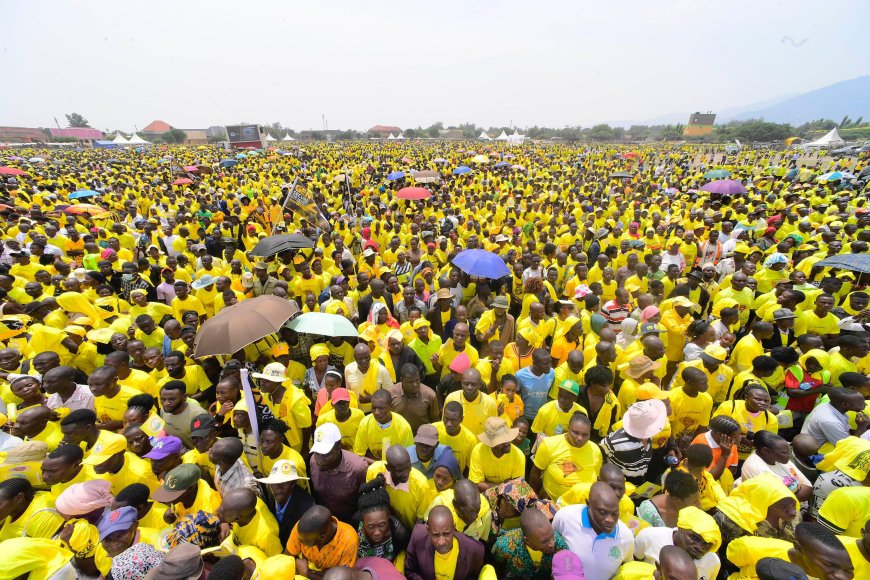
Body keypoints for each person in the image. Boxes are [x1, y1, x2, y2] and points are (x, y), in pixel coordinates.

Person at [552, 482, 634, 580]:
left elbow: (626, 567)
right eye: (602, 512)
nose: (610, 520)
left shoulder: (626, 536)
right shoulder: (564, 518)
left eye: (615, 514)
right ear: (588, 504)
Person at [633, 506, 721, 580]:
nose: (700, 547)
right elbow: (631, 562)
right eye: (694, 538)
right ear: (680, 528)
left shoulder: (713, 562)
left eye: (707, 544)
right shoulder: (650, 536)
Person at [530, 412, 601, 501]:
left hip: (583, 504)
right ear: (568, 429)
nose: (580, 438)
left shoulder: (595, 450)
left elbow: (598, 477)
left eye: (585, 434)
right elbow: (535, 473)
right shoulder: (549, 444)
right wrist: (532, 498)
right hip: (553, 502)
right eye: (575, 432)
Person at [404, 505, 485, 580]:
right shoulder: (418, 537)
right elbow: (410, 571)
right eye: (435, 535)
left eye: (446, 534)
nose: (441, 542)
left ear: (454, 528)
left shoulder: (475, 550)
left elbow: (474, 577)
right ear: (428, 530)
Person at [310, 423, 369, 524]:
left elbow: (367, 500)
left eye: (325, 454)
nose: (319, 460)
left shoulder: (358, 468)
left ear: (338, 447)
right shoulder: (313, 462)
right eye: (316, 453)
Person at [491, 507, 569, 579]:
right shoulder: (505, 545)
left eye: (552, 535)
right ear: (527, 540)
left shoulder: (560, 545)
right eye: (544, 541)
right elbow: (496, 567)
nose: (552, 544)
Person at [285, 505, 359, 578]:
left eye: (304, 541)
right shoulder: (302, 529)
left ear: (322, 537)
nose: (299, 540)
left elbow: (343, 578)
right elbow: (286, 559)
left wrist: (307, 573)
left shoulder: (349, 540)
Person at [355, 477, 409, 564]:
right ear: (362, 519)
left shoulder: (399, 534)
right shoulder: (356, 521)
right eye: (370, 526)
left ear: (388, 515)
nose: (377, 532)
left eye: (382, 524)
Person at [801, 387, 869, 453]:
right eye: (861, 403)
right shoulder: (830, 421)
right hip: (817, 453)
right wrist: (861, 427)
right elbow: (847, 447)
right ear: (844, 404)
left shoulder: (829, 406)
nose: (865, 404)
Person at [468, 417, 526, 491]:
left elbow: (518, 487)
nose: (507, 443)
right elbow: (476, 484)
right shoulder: (478, 451)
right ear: (491, 443)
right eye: (502, 440)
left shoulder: (519, 455)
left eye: (508, 437)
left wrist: (487, 484)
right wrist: (506, 486)